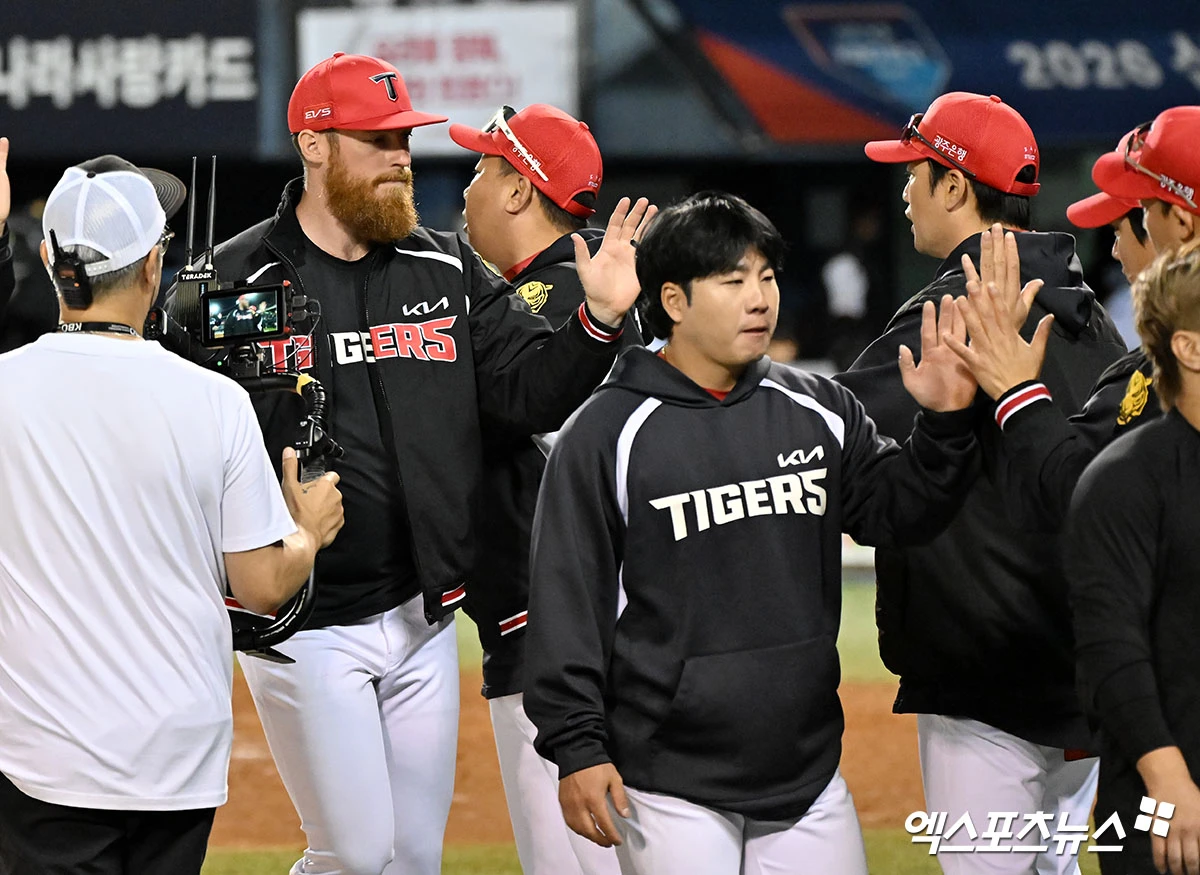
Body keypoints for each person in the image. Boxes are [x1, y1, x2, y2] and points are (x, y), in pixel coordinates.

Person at [211, 52, 653, 875]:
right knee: (356, 852)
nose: (401, 157)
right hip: (308, 618)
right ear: (315, 145)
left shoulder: (442, 266)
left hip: (422, 619)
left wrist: (595, 322)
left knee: (412, 858)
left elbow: (523, 397)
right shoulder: (236, 278)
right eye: (377, 140)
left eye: (404, 139)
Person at [523, 191, 983, 875]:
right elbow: (567, 602)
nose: (759, 297)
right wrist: (579, 746)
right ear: (673, 301)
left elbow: (898, 512)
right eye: (733, 280)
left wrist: (945, 425)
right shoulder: (605, 433)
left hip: (805, 769)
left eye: (766, 276)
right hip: (665, 780)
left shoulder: (818, 406)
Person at [0, 155, 344, 874]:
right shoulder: (215, 400)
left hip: (43, 757)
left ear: (48, 260)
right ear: (154, 267)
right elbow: (260, 587)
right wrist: (307, 533)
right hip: (177, 758)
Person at [835, 91, 1126, 873]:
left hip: (988, 682)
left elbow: (826, 436)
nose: (903, 192)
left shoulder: (957, 306)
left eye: (915, 173)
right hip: (1081, 675)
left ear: (956, 187)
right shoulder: (1090, 312)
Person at [449, 103, 624, 875]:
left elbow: (515, 400)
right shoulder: (600, 282)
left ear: (520, 191)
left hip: (554, 640)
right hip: (624, 622)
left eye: (484, 168)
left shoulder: (546, 297)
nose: (467, 189)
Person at [948, 107, 1200, 533]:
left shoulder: (1179, 358)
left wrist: (1016, 392)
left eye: (1144, 213)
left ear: (1181, 221)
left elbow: (1086, 499)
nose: (1119, 249)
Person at [1063, 240, 1200, 875]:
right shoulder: (1123, 480)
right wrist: (1167, 774)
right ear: (1189, 348)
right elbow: (1110, 649)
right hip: (1162, 805)